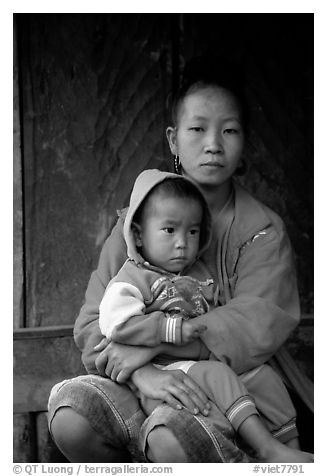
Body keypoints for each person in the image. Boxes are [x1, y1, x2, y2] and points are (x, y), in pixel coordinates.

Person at [48, 56, 314, 463]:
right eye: (197, 129)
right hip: (143, 383)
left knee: (171, 435)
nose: (213, 143)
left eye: (229, 130)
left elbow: (254, 323)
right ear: (173, 140)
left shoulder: (263, 230)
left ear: (244, 141)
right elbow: (92, 323)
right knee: (72, 415)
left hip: (232, 385)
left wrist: (152, 344)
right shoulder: (135, 226)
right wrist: (142, 370)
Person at [98, 168, 312, 462]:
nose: (182, 243)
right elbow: (115, 323)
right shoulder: (133, 278)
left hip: (201, 358)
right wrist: (168, 331)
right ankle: (266, 448)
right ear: (138, 233)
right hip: (165, 369)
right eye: (169, 230)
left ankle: (291, 450)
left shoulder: (199, 274)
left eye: (193, 231)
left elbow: (226, 316)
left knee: (265, 379)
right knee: (219, 376)